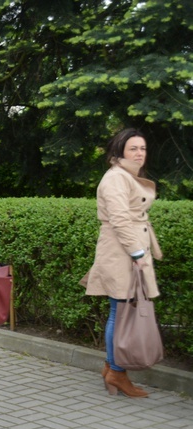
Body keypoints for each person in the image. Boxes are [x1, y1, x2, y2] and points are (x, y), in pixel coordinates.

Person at [82, 128, 162, 398]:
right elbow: (119, 219)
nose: (139, 153)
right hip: (122, 253)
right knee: (121, 313)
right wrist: (138, 254)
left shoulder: (126, 176)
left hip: (125, 250)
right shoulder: (116, 177)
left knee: (120, 312)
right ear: (120, 152)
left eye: (143, 148)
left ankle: (112, 368)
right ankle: (117, 371)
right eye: (133, 149)